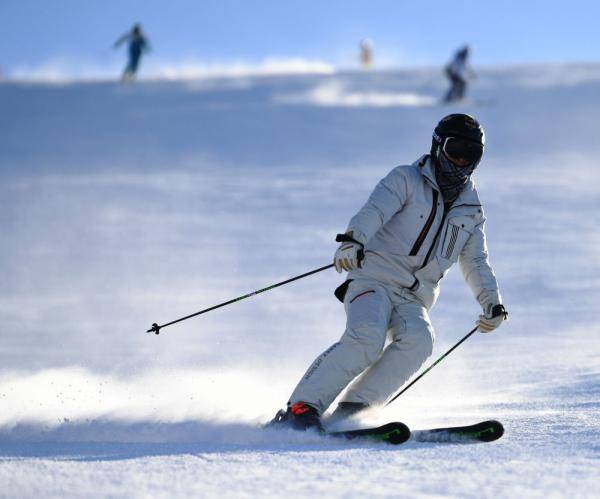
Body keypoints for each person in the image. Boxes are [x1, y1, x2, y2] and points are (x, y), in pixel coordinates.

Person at [271, 113, 507, 431]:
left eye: (471, 153)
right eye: (455, 150)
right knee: (367, 338)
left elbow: (476, 261)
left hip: (414, 296)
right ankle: (302, 408)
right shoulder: (406, 179)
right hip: (373, 279)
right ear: (438, 147)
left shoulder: (471, 210)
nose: (462, 160)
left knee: (420, 340)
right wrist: (353, 241)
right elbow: (375, 211)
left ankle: (353, 411)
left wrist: (491, 303)